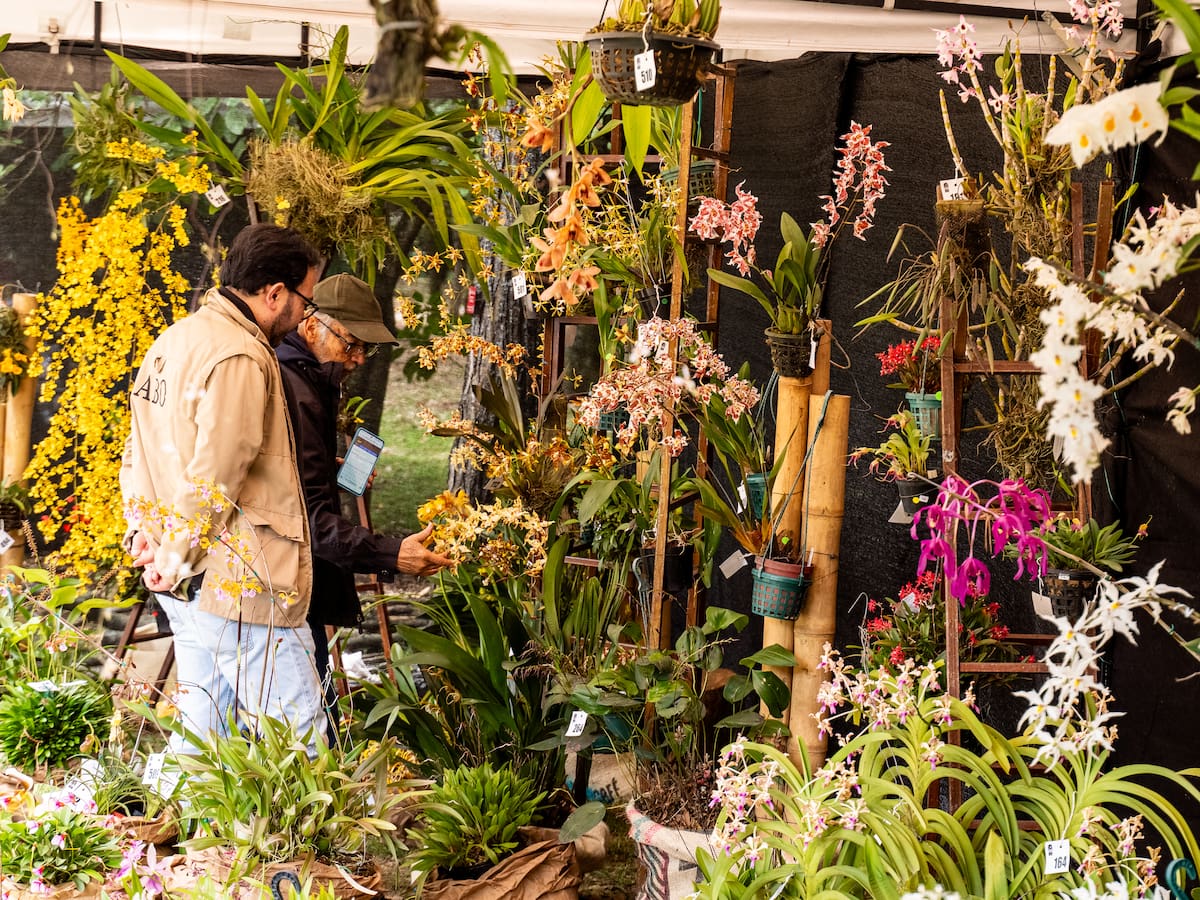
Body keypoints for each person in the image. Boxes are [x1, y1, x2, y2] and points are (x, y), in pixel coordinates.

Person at [120, 223, 326, 752]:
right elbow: (217, 475)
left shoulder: (176, 338)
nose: (306, 315)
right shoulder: (239, 354)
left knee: (204, 729)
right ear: (275, 292)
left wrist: (145, 535)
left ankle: (171, 829)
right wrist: (178, 554)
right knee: (295, 736)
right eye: (307, 298)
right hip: (237, 581)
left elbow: (138, 448)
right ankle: (304, 839)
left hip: (181, 574)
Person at [276, 273, 451, 698]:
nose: (357, 358)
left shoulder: (312, 378)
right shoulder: (294, 385)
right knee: (309, 723)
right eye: (351, 343)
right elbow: (310, 521)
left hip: (288, 587)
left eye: (365, 349)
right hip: (280, 591)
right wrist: (393, 554)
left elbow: (292, 479)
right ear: (312, 324)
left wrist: (322, 468)